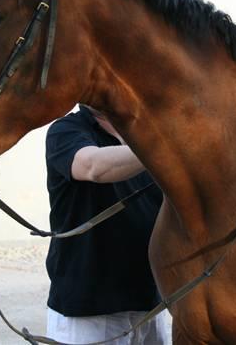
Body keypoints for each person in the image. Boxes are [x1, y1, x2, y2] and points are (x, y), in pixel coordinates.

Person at [44, 104, 172, 344]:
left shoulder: (146, 131)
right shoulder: (66, 130)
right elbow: (93, 167)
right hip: (88, 310)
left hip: (150, 303)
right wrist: (162, 145)